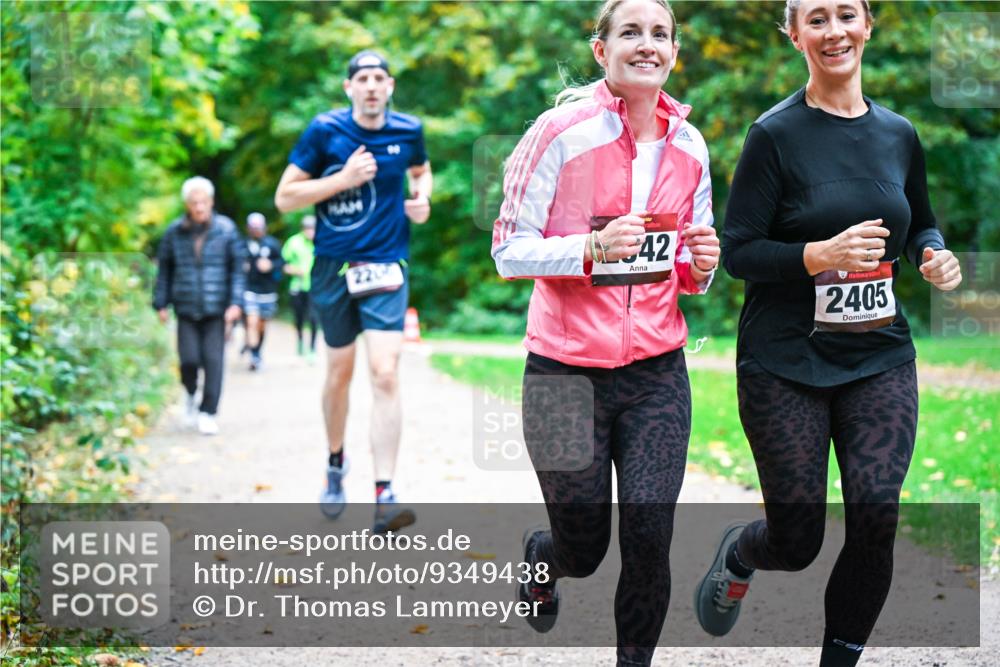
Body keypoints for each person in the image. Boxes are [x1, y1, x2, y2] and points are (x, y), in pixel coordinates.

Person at [694, 2, 963, 665]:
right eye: (816, 18)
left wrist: (933, 252)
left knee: (876, 515)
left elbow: (920, 220)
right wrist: (818, 255)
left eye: (847, 13)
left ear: (869, 25)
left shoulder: (898, 134)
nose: (834, 29)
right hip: (785, 361)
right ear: (794, 36)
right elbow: (739, 253)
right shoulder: (774, 135)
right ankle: (740, 551)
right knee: (798, 538)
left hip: (878, 355)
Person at [491, 1, 719, 664]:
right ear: (601, 50)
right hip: (563, 372)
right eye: (630, 32)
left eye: (659, 34)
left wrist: (701, 265)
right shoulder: (559, 132)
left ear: (674, 50)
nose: (646, 45)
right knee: (583, 547)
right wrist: (590, 247)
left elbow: (686, 265)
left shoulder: (689, 144)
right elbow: (508, 250)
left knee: (649, 535)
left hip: (656, 373)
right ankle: (545, 555)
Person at [274, 50, 432, 533]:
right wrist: (342, 179)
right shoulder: (324, 131)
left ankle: (385, 494)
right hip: (332, 267)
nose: (370, 86)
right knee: (339, 374)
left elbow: (421, 170)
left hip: (386, 265)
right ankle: (336, 462)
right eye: (361, 78)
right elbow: (285, 199)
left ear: (391, 86)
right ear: (348, 88)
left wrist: (422, 197)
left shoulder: (408, 130)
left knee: (384, 373)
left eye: (379, 78)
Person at [153, 176, 245, 436]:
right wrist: (160, 303)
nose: (200, 207)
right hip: (185, 307)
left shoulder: (226, 230)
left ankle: (208, 412)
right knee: (189, 360)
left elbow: (237, 270)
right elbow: (165, 271)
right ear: (187, 204)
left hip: (217, 309)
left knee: (214, 361)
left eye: (204, 202)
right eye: (195, 202)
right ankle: (191, 393)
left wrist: (236, 303)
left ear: (211, 202)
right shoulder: (173, 233)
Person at [242, 212, 284, 371]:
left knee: (261, 325)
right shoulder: (243, 245)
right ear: (248, 228)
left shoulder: (272, 244)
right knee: (252, 321)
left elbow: (281, 262)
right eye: (253, 228)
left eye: (259, 227)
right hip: (249, 289)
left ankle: (257, 351)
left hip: (268, 290)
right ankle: (253, 355)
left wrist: (271, 265)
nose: (256, 230)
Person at [282, 214, 319, 360]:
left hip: (315, 286)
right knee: (299, 317)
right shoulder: (293, 243)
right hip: (297, 285)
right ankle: (300, 340)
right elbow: (283, 265)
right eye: (307, 229)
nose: (310, 232)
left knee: (314, 318)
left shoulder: (321, 242)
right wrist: (294, 270)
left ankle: (312, 348)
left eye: (313, 229)